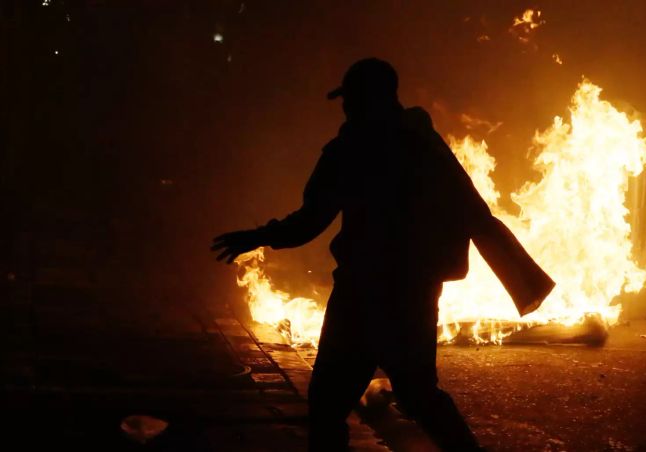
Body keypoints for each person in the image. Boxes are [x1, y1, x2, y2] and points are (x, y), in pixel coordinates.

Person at [212, 58, 553, 450]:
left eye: (350, 98)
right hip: (415, 292)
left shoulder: (350, 148)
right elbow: (474, 211)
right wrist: (519, 275)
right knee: (419, 395)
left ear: (362, 98)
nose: (345, 107)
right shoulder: (425, 144)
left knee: (328, 404)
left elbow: (311, 220)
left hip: (361, 294)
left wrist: (258, 236)